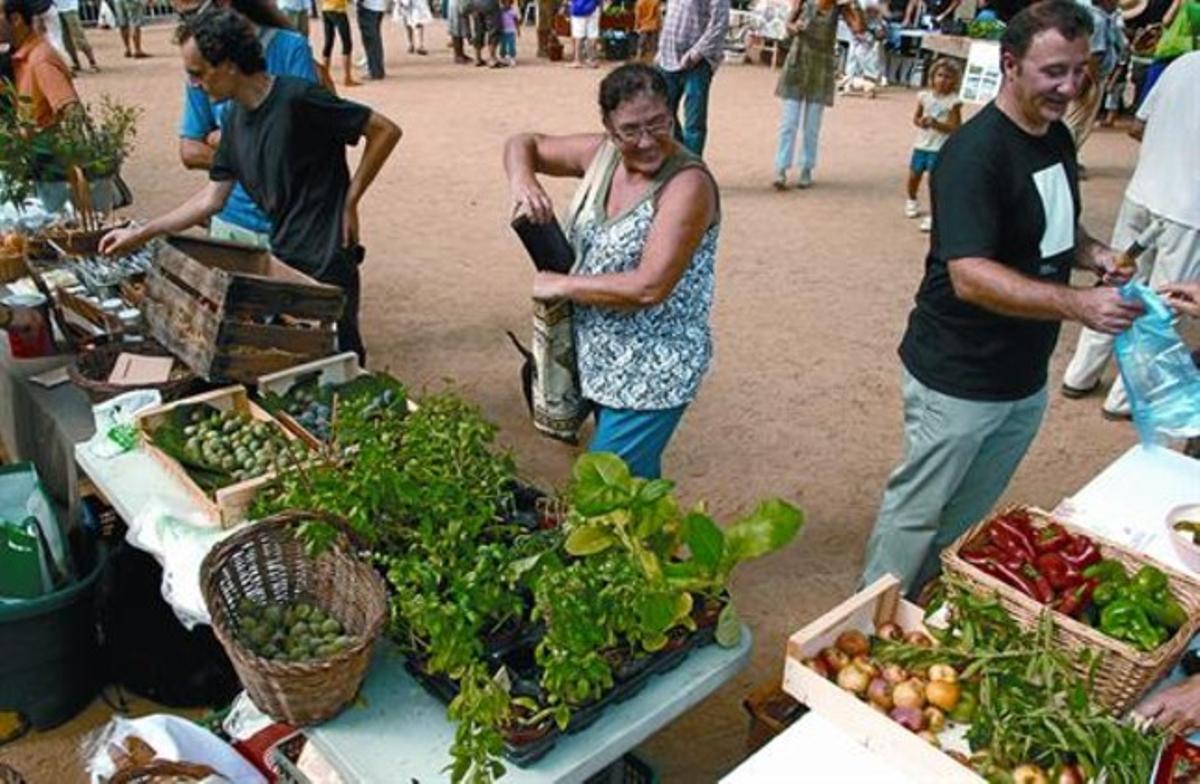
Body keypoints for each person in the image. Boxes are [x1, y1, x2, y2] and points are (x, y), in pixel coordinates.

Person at [858, 0, 1142, 597]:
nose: (1069, 87)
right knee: (916, 511)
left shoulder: (1056, 138)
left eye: (1079, 70)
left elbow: (1057, 229)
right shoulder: (972, 153)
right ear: (1010, 64)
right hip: (958, 374)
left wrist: (1095, 255)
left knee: (967, 513)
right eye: (1053, 72)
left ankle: (927, 602)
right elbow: (970, 275)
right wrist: (1079, 303)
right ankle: (867, 619)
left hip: (1021, 376)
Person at [99, 8, 402, 365]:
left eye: (198, 73)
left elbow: (384, 131)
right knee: (299, 361)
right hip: (286, 253)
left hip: (326, 256)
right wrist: (142, 232)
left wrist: (351, 200)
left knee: (341, 360)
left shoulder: (297, 98)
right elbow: (212, 199)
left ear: (228, 65)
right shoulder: (235, 123)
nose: (194, 84)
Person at [504, 63, 720, 479]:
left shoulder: (687, 185)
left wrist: (561, 285)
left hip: (653, 368)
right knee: (635, 491)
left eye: (659, 124)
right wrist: (523, 180)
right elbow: (522, 143)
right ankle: (652, 542)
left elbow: (649, 287)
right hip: (599, 359)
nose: (646, 141)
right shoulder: (602, 155)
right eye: (630, 130)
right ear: (608, 126)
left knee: (602, 493)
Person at [1060, 51, 1200, 419]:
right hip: (1190, 210)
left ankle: (1081, 373)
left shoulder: (1182, 64)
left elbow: (1138, 126)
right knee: (1164, 302)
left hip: (1143, 192)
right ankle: (1123, 398)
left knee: (1117, 281)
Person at [175, 0, 322, 249]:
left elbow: (305, 140)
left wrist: (229, 143)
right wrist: (252, 154)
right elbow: (190, 150)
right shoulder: (201, 61)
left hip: (293, 224)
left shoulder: (290, 49)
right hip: (232, 222)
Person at [771, 0, 862, 189]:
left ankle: (806, 168)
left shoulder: (840, 5)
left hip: (821, 65)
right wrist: (794, 27)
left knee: (812, 126)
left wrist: (855, 4)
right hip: (798, 59)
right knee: (789, 123)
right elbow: (788, 26)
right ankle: (781, 168)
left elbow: (858, 28)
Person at [656, 0, 729, 156]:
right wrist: (661, 50)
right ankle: (679, 159)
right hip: (668, 56)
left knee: (694, 123)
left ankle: (691, 170)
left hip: (698, 63)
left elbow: (719, 25)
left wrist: (695, 54)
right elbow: (670, 17)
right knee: (662, 113)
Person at [1063, 0, 1125, 162]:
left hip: (1090, 75)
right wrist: (1092, 79)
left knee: (1077, 119)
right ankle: (1065, 157)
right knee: (1077, 120)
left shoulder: (1098, 17)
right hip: (1091, 76)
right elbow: (1093, 55)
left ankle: (1067, 156)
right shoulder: (1098, 21)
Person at [904, 57, 962, 231]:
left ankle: (934, 213)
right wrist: (921, 121)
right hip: (921, 144)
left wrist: (937, 124)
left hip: (939, 147)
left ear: (955, 81)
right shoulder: (924, 97)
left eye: (948, 77)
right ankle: (911, 199)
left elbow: (955, 127)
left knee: (934, 181)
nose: (943, 80)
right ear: (932, 77)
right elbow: (916, 118)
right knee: (914, 175)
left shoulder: (953, 102)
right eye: (940, 75)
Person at [1, 0, 78, 129]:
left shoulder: (40, 60)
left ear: (16, 19)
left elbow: (72, 112)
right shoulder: (18, 57)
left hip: (40, 146)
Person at [320, 0, 361, 87]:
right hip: (338, 10)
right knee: (347, 43)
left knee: (328, 42)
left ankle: (324, 77)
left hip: (325, 9)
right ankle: (347, 78)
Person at [54, 0, 98, 72]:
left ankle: (92, 62)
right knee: (66, 40)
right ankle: (75, 63)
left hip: (70, 8)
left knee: (79, 36)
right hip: (56, 9)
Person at [357, 0, 387, 79]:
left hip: (369, 7)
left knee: (371, 40)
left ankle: (375, 71)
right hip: (378, 6)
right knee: (375, 39)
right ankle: (377, 69)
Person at [568, 0, 599, 68]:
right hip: (593, 8)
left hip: (578, 9)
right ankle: (592, 60)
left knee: (578, 35)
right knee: (592, 34)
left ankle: (577, 60)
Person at [497, 0, 517, 64]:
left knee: (511, 44)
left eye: (508, 3)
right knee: (503, 44)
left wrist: (518, 29)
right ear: (502, 3)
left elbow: (515, 20)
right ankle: (503, 56)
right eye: (505, 2)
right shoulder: (500, 11)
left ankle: (512, 57)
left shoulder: (513, 11)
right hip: (502, 31)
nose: (506, 4)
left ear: (511, 3)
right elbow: (498, 20)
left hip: (511, 30)